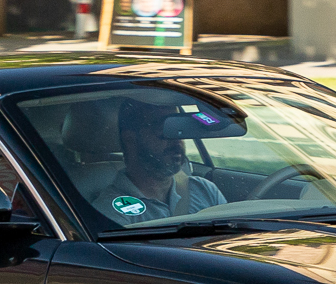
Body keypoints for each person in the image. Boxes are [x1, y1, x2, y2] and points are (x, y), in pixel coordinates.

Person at [75, 96, 228, 225]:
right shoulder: (110, 211)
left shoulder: (205, 190)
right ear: (130, 139)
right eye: (164, 131)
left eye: (178, 130)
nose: (177, 141)